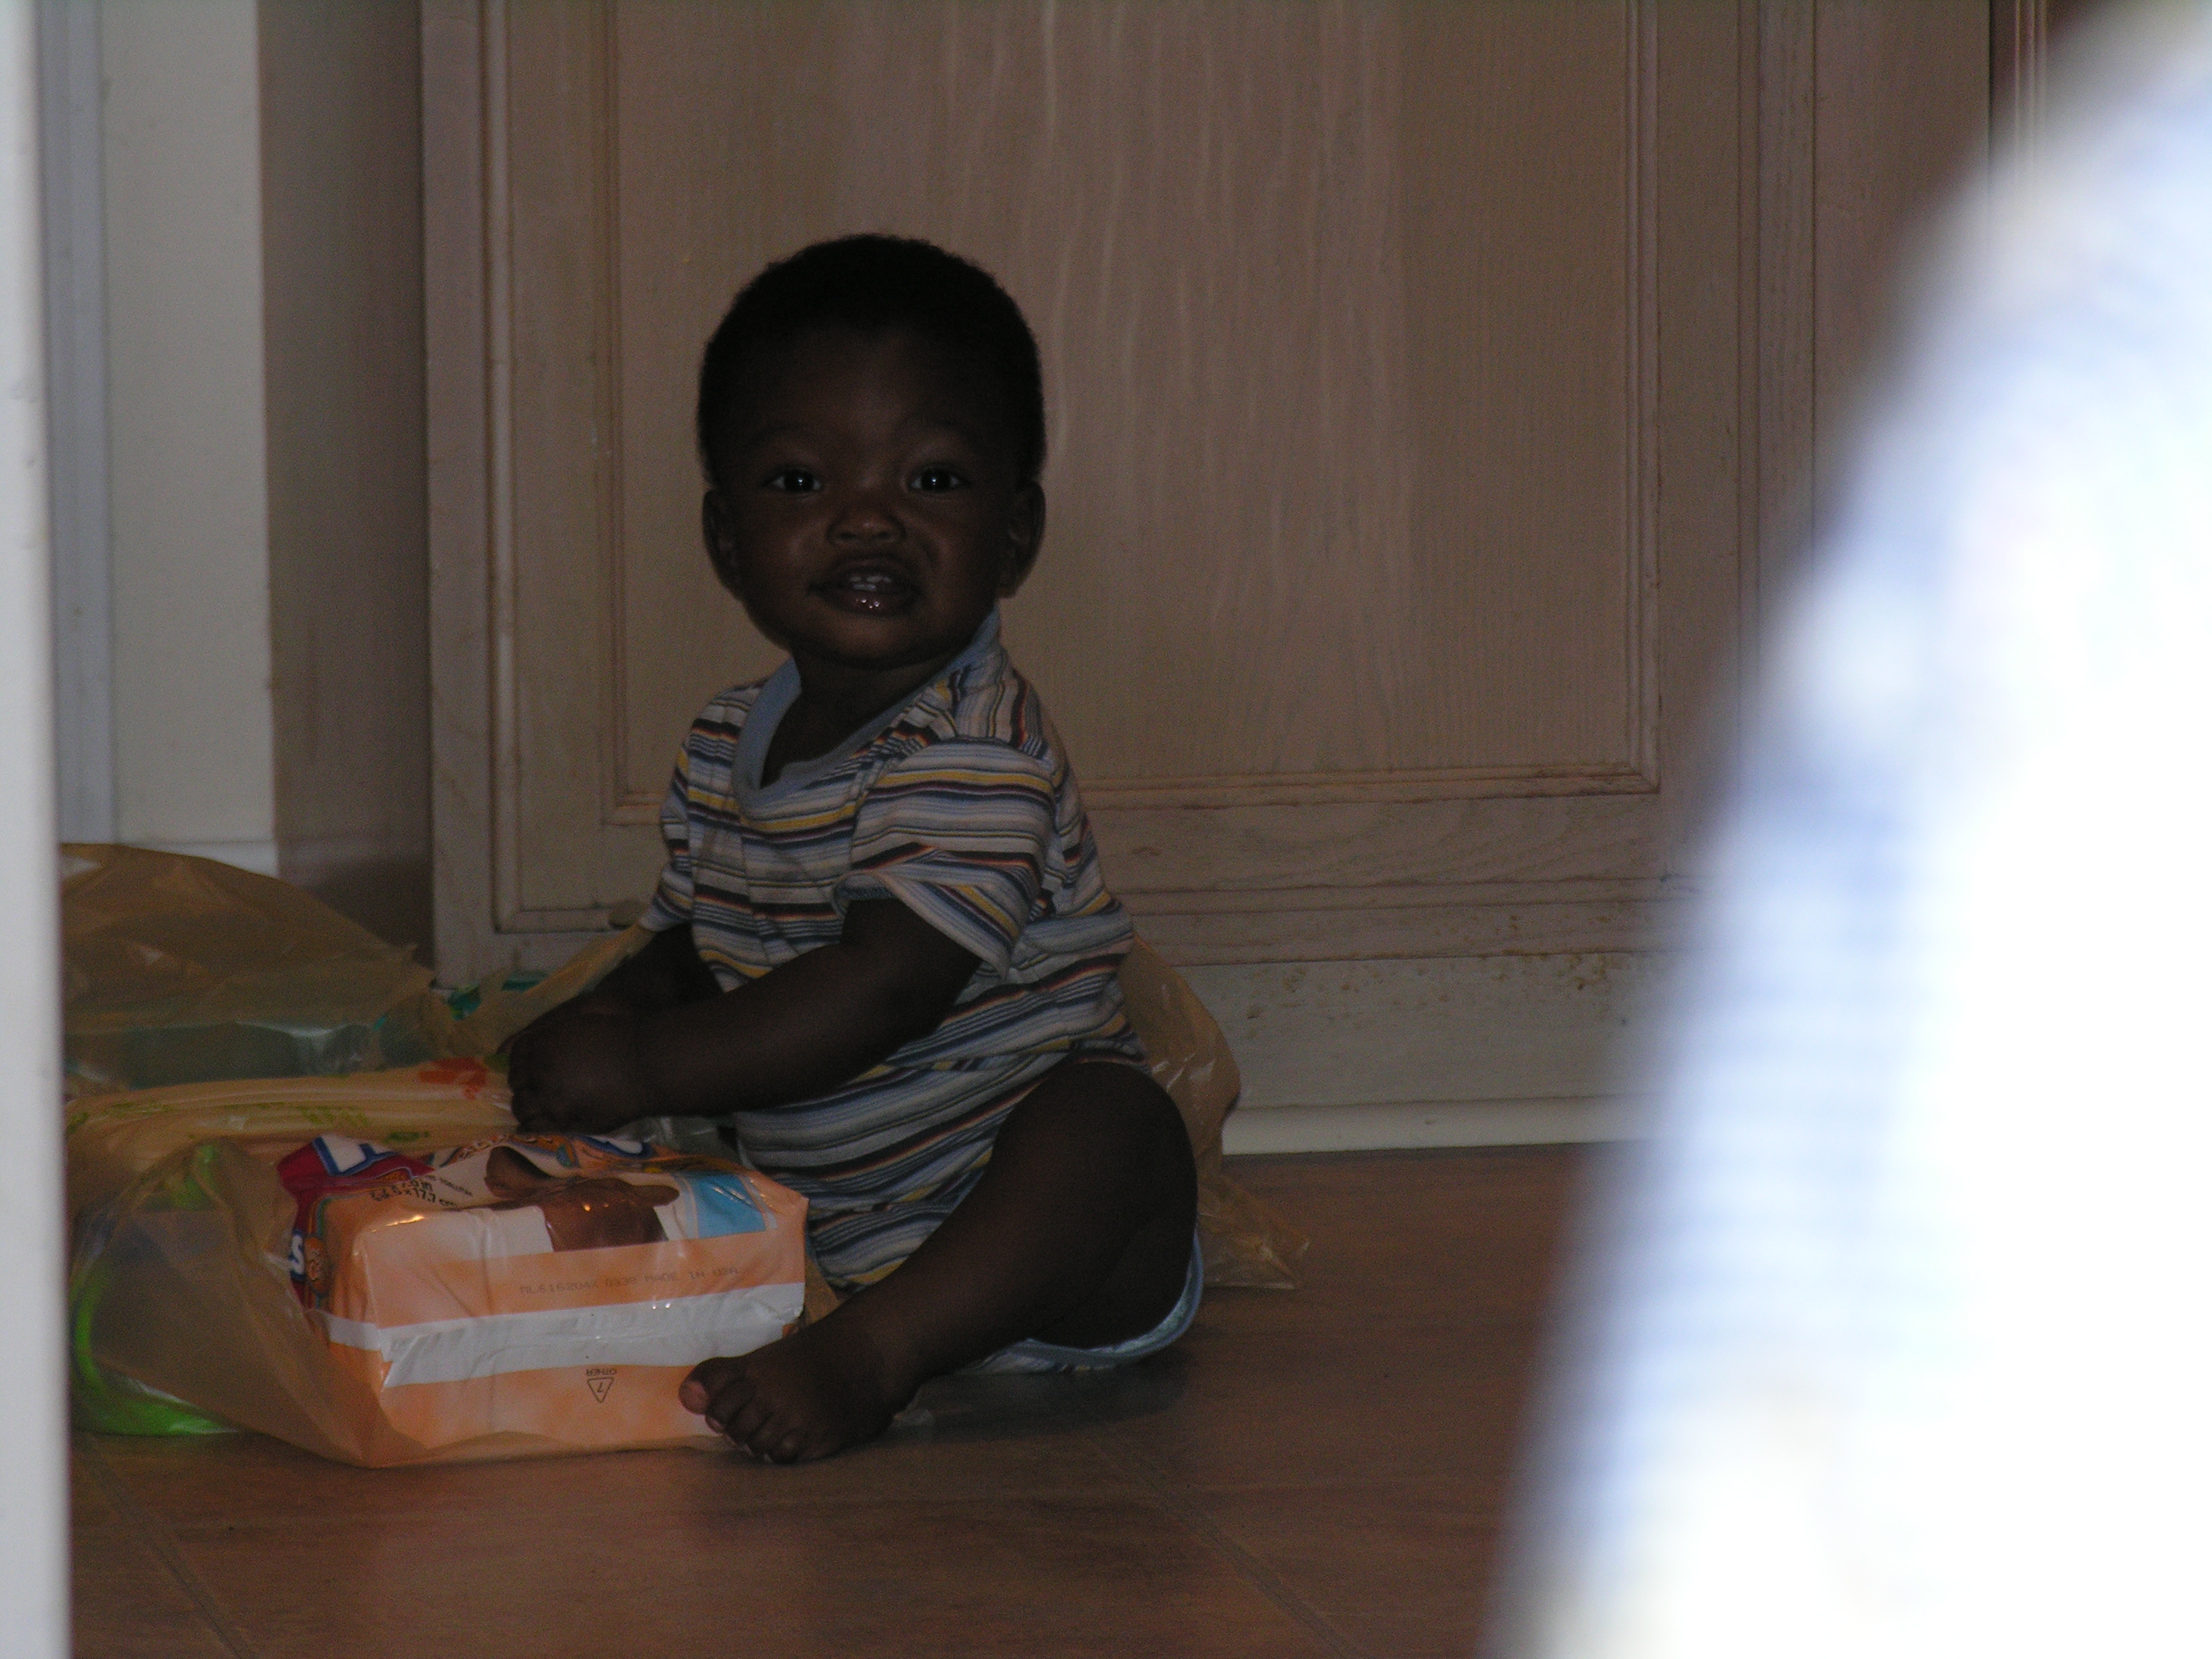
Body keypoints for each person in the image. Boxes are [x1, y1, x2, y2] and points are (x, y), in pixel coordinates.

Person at [503, 235, 1200, 1464]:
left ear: (1016, 535)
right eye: (799, 481)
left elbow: (886, 986)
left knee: (1113, 1123)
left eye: (932, 480)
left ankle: (878, 1353)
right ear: (727, 542)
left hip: (1046, 1251)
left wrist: (649, 1064)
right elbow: (701, 941)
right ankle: (851, 1310)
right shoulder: (727, 738)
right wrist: (607, 1022)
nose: (868, 519)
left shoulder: (978, 747)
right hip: (839, 1223)